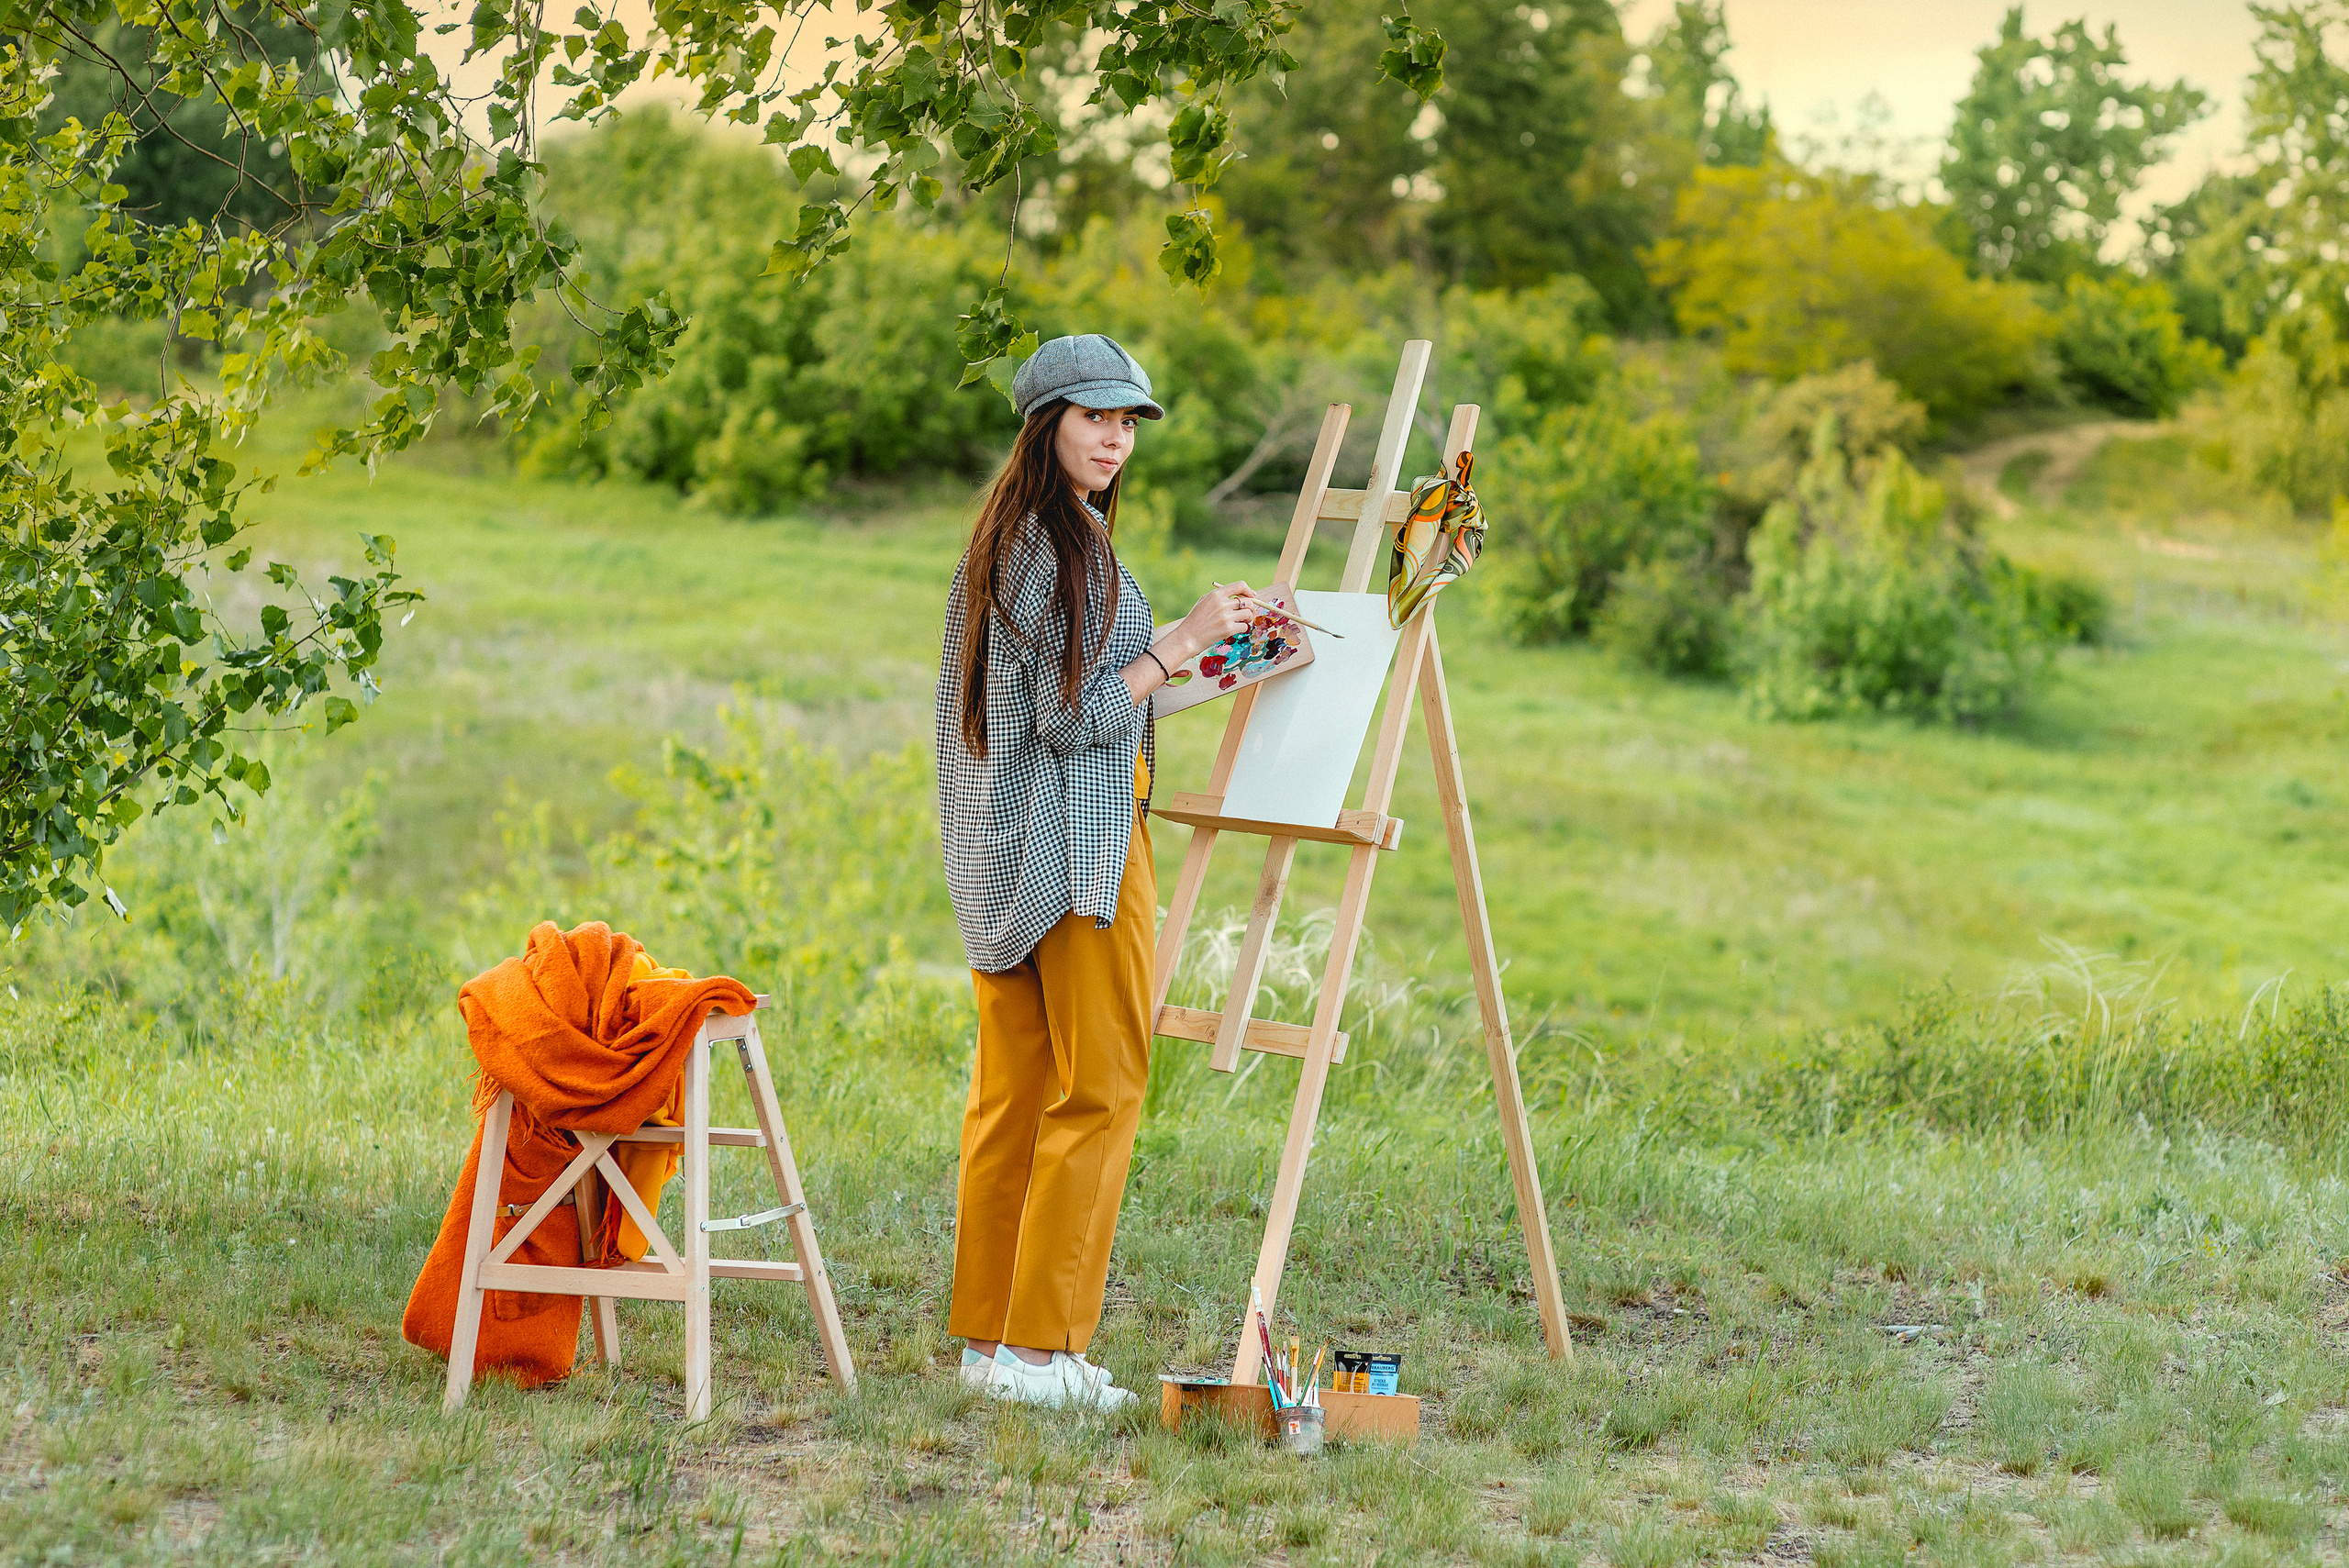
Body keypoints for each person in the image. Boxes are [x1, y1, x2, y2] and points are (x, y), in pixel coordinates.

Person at [935, 334, 1256, 1409]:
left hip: (1012, 853)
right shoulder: (1058, 547)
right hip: (1079, 857)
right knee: (1104, 1087)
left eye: (1128, 421)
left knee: (1016, 1096)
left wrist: (1222, 653)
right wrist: (1181, 639)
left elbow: (1086, 698)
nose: (1116, 437)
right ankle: (1043, 1351)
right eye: (1096, 417)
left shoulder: (1014, 540)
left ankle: (992, 1345)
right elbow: (1082, 717)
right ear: (1046, 426)